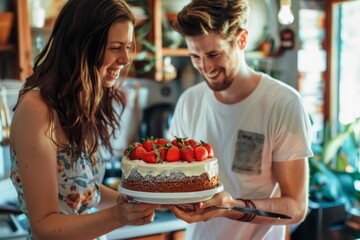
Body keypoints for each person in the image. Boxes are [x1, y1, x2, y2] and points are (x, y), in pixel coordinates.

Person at [9, 0, 159, 239]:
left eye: (128, 46)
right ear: (82, 46)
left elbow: (83, 190)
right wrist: (117, 216)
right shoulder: (37, 109)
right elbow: (43, 225)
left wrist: (134, 202)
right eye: (115, 47)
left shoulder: (81, 102)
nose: (126, 59)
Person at [167, 0, 314, 239]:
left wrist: (231, 207)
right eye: (195, 56)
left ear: (242, 40)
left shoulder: (282, 103)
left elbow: (296, 208)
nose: (205, 67)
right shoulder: (189, 101)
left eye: (214, 54)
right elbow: (177, 180)